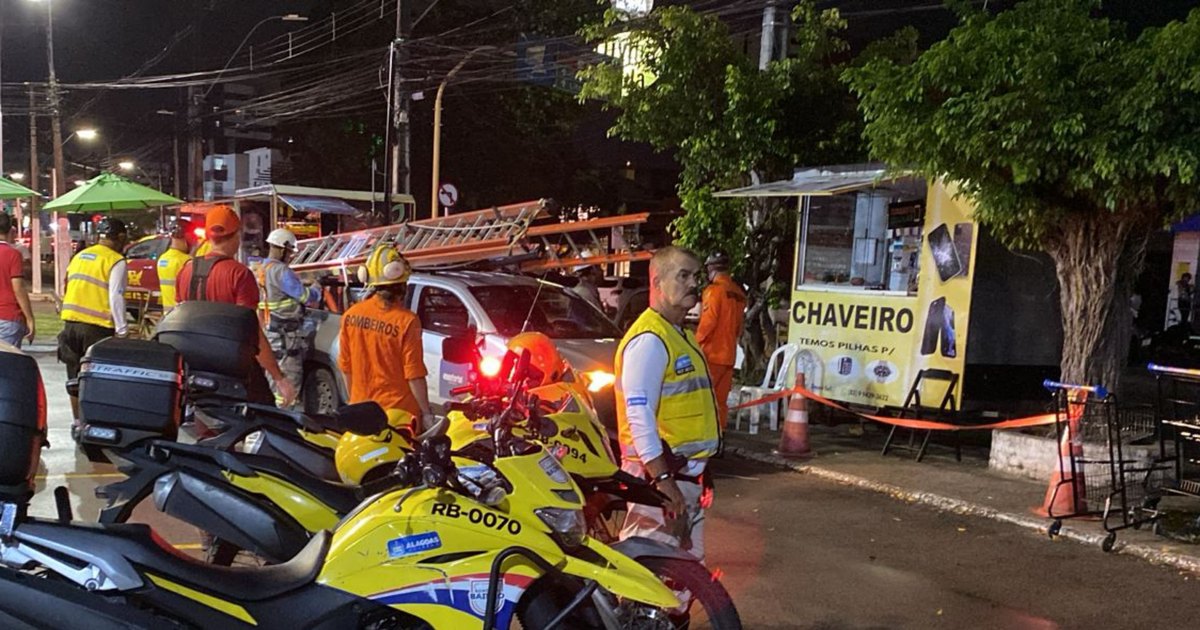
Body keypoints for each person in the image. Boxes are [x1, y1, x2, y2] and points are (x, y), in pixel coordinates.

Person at [615, 246, 721, 562]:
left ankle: (671, 614)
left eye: (696, 276)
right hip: (659, 479)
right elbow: (640, 416)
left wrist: (702, 471)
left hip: (684, 477)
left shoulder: (680, 335)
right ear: (658, 282)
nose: (694, 284)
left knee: (688, 569)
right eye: (683, 276)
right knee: (648, 568)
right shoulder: (650, 340)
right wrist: (663, 481)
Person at [175, 205, 297, 406]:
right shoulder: (239, 274)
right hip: (233, 372)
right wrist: (278, 377)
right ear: (237, 235)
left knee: (206, 429)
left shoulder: (186, 270)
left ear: (208, 236)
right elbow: (252, 333)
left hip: (196, 370)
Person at [338, 245, 432, 432]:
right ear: (402, 285)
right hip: (399, 418)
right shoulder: (407, 321)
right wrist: (426, 412)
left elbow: (345, 367)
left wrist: (355, 403)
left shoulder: (351, 315)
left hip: (363, 415)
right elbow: (414, 374)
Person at [59, 218, 129, 431]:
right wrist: (122, 330)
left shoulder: (79, 256)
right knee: (98, 378)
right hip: (97, 328)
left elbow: (67, 284)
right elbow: (116, 297)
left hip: (70, 324)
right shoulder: (115, 260)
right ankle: (96, 424)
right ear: (120, 237)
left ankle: (78, 423)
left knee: (74, 379)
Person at [257, 228, 321, 404]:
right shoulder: (282, 271)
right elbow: (305, 298)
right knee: (289, 384)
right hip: (287, 337)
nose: (291, 256)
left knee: (274, 381)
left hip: (272, 334)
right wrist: (316, 288)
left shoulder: (263, 268)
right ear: (283, 248)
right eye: (290, 252)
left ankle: (274, 414)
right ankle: (286, 416)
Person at [696, 251, 746, 433]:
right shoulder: (738, 293)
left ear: (710, 269)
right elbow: (739, 326)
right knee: (721, 401)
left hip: (712, 354)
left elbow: (708, 322)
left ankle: (704, 436)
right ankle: (719, 436)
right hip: (729, 354)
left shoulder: (714, 291)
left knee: (703, 398)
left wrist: (694, 344)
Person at [0, 213, 34, 348]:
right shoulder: (13, 254)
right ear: (10, 230)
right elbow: (18, 288)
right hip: (8, 317)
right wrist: (30, 318)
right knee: (6, 364)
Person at [156, 220, 193, 312]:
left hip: (167, 315)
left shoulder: (162, 259)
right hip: (183, 316)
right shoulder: (187, 261)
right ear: (187, 236)